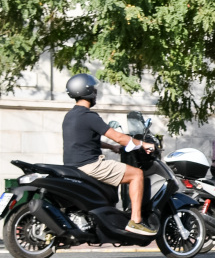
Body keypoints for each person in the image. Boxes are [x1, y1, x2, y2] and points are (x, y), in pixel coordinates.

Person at [61, 74, 157, 236]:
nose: (96, 93)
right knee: (136, 174)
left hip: (74, 166)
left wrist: (111, 147)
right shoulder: (89, 116)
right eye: (94, 89)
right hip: (91, 165)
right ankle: (136, 221)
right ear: (88, 91)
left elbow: (84, 140)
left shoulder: (70, 116)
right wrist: (143, 144)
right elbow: (119, 137)